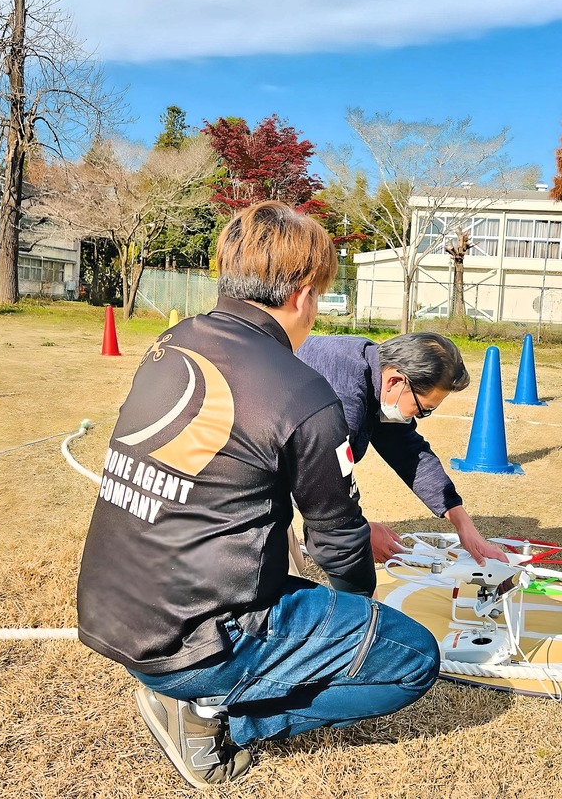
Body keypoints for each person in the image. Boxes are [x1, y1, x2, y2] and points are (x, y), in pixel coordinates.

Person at [76, 201, 440, 791]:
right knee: (414, 658)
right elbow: (340, 541)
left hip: (110, 614)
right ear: (301, 294)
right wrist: (361, 613)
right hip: (197, 641)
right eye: (318, 296)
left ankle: (196, 693)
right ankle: (218, 720)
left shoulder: (171, 343)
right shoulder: (303, 392)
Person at [296, 332, 507, 566]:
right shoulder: (345, 397)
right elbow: (314, 481)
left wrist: (464, 525)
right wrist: (359, 531)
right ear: (396, 381)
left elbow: (409, 452)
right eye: (422, 408)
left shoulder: (375, 369)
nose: (421, 416)